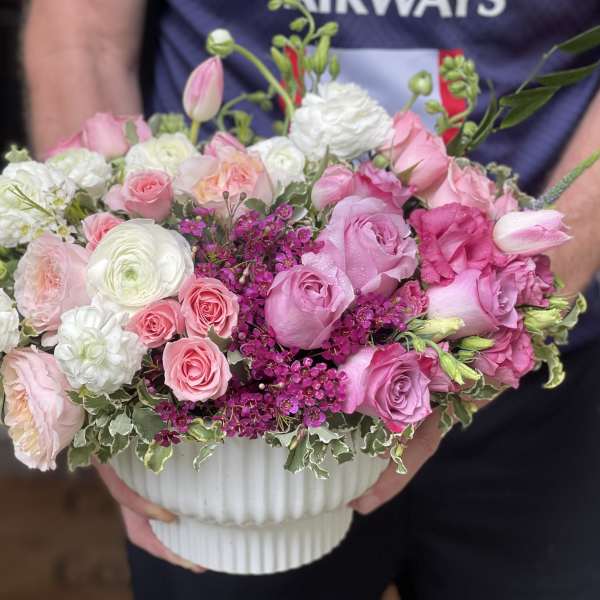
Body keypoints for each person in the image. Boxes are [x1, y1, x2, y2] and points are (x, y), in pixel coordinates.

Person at [22, 1, 600, 599]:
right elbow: (83, 35)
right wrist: (105, 352)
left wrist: (511, 302)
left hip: (536, 377)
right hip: (229, 414)